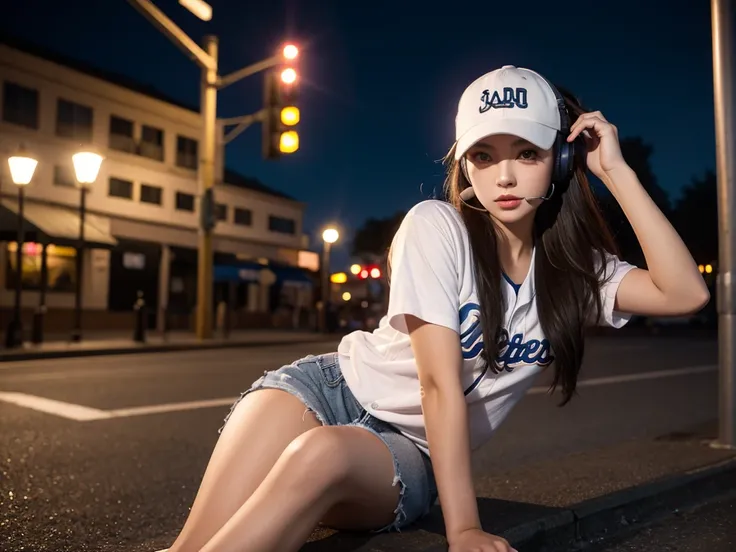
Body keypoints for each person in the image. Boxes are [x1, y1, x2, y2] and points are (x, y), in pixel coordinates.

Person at [160, 66, 710, 552]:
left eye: (527, 152)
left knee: (320, 455)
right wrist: (465, 529)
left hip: (408, 450)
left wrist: (615, 173)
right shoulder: (437, 226)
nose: (506, 176)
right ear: (466, 165)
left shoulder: (574, 272)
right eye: (484, 155)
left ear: (561, 160)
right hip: (325, 386)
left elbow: (685, 294)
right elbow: (438, 382)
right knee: (190, 546)